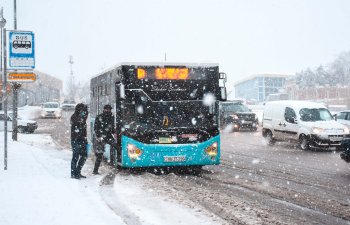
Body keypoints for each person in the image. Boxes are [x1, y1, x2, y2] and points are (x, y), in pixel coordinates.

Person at [93, 104, 116, 174]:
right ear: (104, 109)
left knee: (116, 146)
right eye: (106, 109)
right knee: (100, 155)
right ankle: (95, 170)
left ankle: (113, 161)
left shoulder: (112, 117)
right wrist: (99, 137)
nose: (108, 110)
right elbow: (95, 128)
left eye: (109, 109)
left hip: (108, 136)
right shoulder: (99, 117)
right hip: (101, 137)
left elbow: (112, 129)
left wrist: (115, 132)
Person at [70, 103, 88, 179]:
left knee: (84, 156)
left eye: (84, 110)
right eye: (82, 110)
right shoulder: (74, 117)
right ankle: (73, 173)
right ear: (78, 110)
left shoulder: (83, 118)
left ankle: (78, 171)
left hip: (83, 139)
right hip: (76, 140)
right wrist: (80, 120)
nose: (84, 112)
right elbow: (76, 124)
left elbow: (85, 117)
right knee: (75, 156)